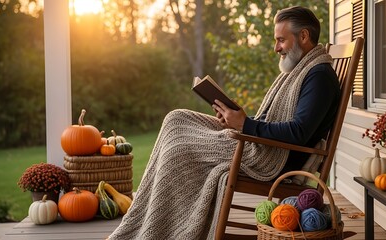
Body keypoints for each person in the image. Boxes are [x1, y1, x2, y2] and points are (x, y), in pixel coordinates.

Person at [108, 6, 339, 240]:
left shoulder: (319, 77)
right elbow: (280, 122)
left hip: (271, 159)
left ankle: (159, 229)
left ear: (303, 36)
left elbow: (298, 132)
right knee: (176, 119)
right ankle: (147, 218)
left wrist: (245, 125)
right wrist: (238, 118)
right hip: (262, 143)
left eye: (281, 40)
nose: (276, 48)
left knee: (179, 149)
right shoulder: (303, 69)